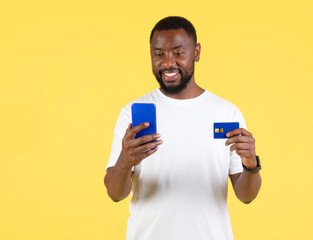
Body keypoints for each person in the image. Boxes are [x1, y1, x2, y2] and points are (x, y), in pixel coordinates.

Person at [104, 16, 262, 240]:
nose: (168, 63)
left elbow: (246, 196)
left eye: (178, 53)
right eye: (159, 54)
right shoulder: (132, 114)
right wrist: (125, 161)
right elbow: (115, 194)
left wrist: (250, 165)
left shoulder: (226, 112)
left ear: (196, 53)